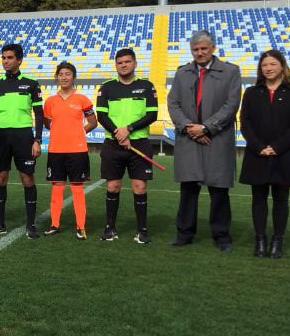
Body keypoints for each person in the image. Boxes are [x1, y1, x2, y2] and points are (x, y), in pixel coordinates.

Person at [168, 30, 241, 252]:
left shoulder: (230, 71)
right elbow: (173, 104)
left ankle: (221, 235)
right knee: (188, 189)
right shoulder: (182, 73)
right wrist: (190, 128)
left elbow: (231, 105)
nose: (199, 53)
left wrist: (207, 127)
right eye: (196, 49)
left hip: (216, 139)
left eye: (203, 49)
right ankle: (185, 233)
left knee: (219, 191)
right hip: (189, 139)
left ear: (213, 48)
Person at [239, 50, 290, 258]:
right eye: (265, 65)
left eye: (273, 64)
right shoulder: (251, 92)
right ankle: (260, 240)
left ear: (282, 66)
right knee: (258, 197)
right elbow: (245, 123)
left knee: (281, 198)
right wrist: (259, 146)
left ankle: (277, 241)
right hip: (257, 153)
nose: (268, 68)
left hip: (284, 155)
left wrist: (277, 147)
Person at [95, 49, 158, 244]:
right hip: (113, 144)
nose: (123, 65)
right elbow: (102, 116)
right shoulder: (106, 88)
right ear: (116, 65)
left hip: (139, 144)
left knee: (139, 187)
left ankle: (142, 230)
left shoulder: (147, 86)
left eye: (127, 61)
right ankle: (110, 228)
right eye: (120, 62)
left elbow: (152, 115)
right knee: (113, 187)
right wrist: (119, 134)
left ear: (135, 64)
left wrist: (128, 130)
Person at [0, 43, 44, 239]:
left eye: (9, 58)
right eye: (3, 58)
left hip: (24, 136)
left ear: (19, 60)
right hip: (1, 136)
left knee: (27, 178)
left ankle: (31, 225)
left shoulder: (31, 83)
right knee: (0, 178)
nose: (6, 61)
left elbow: (39, 114)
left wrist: (37, 140)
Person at [42, 62, 97, 240]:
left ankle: (80, 227)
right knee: (57, 188)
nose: (64, 77)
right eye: (61, 74)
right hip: (56, 150)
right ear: (57, 77)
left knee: (77, 188)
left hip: (77, 151)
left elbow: (93, 121)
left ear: (73, 77)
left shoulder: (82, 99)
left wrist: (80, 132)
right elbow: (47, 123)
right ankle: (54, 224)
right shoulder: (50, 101)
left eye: (68, 74)